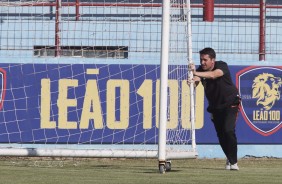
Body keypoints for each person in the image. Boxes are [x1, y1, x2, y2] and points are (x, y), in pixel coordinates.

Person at [188, 47, 240, 170]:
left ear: (213, 60)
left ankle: (233, 162)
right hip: (215, 107)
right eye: (201, 60)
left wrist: (196, 73)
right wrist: (192, 80)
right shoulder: (200, 70)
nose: (202, 63)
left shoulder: (222, 66)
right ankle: (229, 157)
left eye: (205, 60)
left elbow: (213, 75)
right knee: (221, 135)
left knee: (228, 130)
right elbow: (195, 82)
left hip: (231, 103)